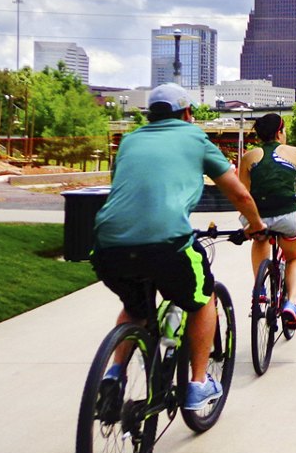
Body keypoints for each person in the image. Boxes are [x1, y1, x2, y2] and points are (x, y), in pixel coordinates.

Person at [92, 83, 266, 410]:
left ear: (150, 115)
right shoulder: (195, 138)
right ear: (187, 113)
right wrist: (256, 226)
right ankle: (198, 384)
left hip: (108, 245)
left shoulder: (129, 140)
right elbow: (240, 194)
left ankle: (114, 374)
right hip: (166, 243)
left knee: (135, 307)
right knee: (203, 298)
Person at [237, 112, 296, 330]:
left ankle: (259, 289)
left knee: (260, 238)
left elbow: (244, 191)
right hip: (287, 215)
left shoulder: (249, 157)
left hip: (259, 217)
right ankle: (291, 304)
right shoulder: (295, 152)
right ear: (280, 132)